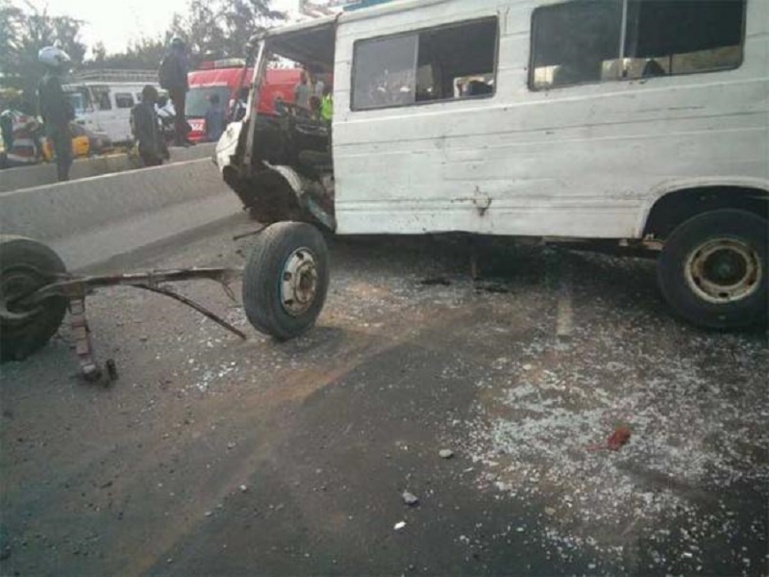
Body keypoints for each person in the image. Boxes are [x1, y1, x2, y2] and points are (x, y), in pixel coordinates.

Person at [37, 46, 74, 181]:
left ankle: (62, 177)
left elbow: (42, 106)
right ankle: (63, 179)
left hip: (51, 124)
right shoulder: (55, 80)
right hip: (60, 123)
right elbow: (63, 102)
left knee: (60, 154)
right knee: (66, 155)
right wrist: (69, 116)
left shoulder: (42, 82)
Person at [159, 37, 191, 146]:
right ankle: (181, 139)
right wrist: (185, 85)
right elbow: (183, 72)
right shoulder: (180, 56)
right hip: (179, 87)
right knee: (180, 114)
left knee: (177, 113)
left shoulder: (167, 57)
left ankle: (181, 138)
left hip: (171, 88)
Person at [130, 85, 169, 167]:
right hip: (147, 150)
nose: (157, 98)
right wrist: (150, 148)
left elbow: (158, 131)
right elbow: (139, 130)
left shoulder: (152, 109)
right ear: (150, 96)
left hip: (156, 149)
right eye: (155, 95)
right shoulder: (140, 109)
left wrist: (163, 148)